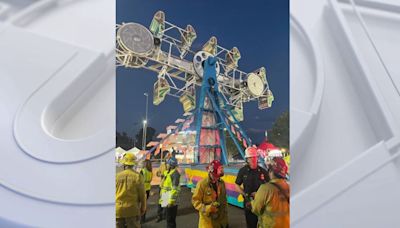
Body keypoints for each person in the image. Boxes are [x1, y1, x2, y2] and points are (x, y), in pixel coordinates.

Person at [235, 146, 270, 228]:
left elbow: (269, 187)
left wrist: (259, 194)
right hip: (249, 203)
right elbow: (236, 185)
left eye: (254, 157)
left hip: (262, 204)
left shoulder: (263, 171)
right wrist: (245, 194)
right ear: (247, 159)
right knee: (251, 224)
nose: (253, 159)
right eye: (250, 158)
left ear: (257, 158)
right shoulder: (243, 171)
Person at [251, 157, 289, 228]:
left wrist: (254, 199)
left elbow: (256, 209)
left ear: (271, 171)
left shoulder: (265, 188)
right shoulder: (289, 187)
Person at [192, 160, 228, 228]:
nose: (217, 178)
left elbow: (224, 201)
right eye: (215, 176)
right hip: (207, 223)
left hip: (220, 222)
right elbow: (195, 202)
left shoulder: (221, 183)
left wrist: (225, 221)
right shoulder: (202, 184)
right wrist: (208, 208)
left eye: (218, 177)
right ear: (210, 172)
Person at [116, 153, 146, 228]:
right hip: (132, 209)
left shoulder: (117, 176)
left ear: (124, 165)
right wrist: (143, 207)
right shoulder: (138, 176)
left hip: (118, 209)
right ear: (133, 165)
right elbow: (142, 195)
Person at [159, 157, 181, 228]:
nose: (166, 165)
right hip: (166, 197)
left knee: (170, 220)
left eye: (168, 164)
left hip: (170, 200)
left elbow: (175, 189)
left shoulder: (175, 174)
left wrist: (171, 202)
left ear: (171, 165)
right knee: (167, 218)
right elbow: (163, 186)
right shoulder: (168, 173)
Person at [140, 159, 153, 223]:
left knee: (140, 204)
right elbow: (150, 180)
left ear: (145, 164)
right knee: (144, 204)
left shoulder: (142, 171)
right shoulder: (150, 171)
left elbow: (139, 180)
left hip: (142, 189)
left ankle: (140, 218)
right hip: (148, 189)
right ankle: (143, 219)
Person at [156, 156, 168, 222]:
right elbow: (157, 173)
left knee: (165, 201)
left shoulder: (171, 166)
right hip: (162, 185)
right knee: (160, 202)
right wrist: (160, 174)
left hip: (167, 186)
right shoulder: (162, 165)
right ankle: (159, 216)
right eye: (166, 158)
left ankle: (164, 214)